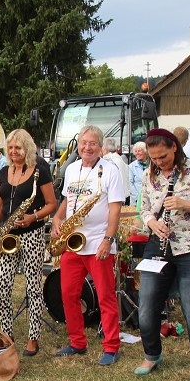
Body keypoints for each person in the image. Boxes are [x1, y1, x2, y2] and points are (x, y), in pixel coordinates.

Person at [136, 128, 190, 381]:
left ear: (174, 147)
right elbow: (145, 208)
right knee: (147, 302)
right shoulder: (150, 173)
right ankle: (152, 354)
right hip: (158, 243)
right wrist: (151, 223)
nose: (159, 162)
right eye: (154, 158)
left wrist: (187, 205)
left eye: (163, 157)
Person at [51, 126, 125, 365]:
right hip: (73, 242)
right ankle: (77, 342)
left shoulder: (110, 170)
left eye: (92, 143)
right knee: (68, 294)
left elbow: (115, 209)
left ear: (101, 146)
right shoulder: (72, 168)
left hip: (98, 243)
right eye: (83, 142)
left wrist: (108, 239)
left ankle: (112, 346)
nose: (87, 147)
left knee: (105, 296)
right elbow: (67, 199)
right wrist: (58, 218)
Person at [0, 129, 57, 357]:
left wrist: (33, 217)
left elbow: (51, 204)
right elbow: (0, 202)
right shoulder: (5, 170)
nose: (13, 151)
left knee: (33, 287)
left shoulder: (40, 171)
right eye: (10, 148)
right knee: (2, 286)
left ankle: (33, 337)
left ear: (27, 147)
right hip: (8, 236)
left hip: (32, 233)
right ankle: (7, 335)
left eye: (17, 147)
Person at [101, 138, 129, 203]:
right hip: (123, 195)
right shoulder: (119, 158)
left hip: (114, 196)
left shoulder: (109, 161)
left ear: (105, 149)